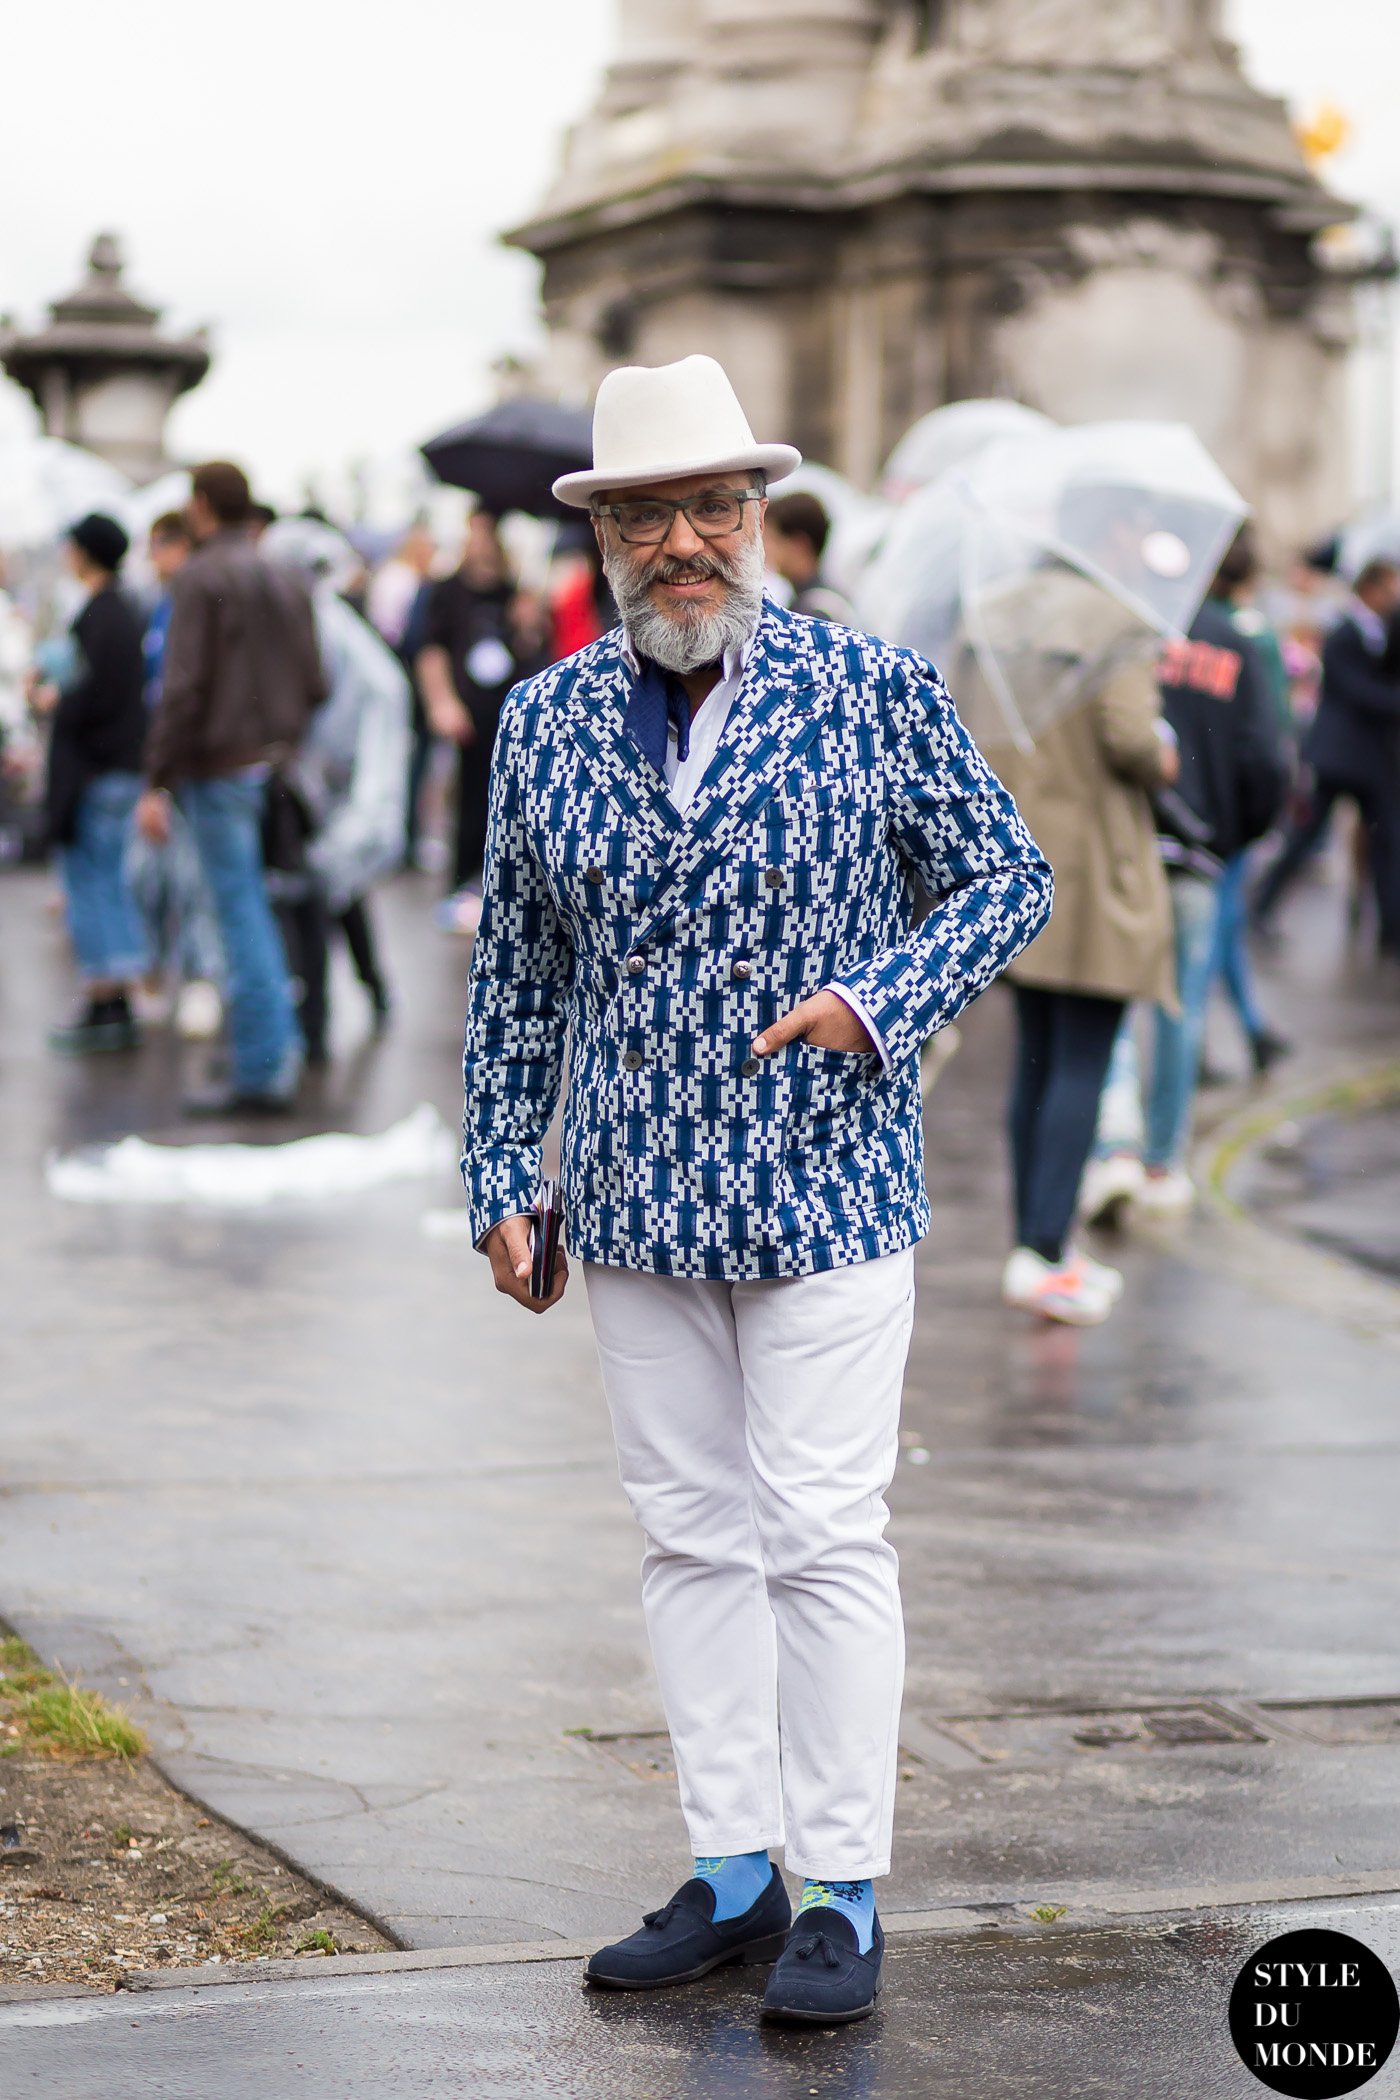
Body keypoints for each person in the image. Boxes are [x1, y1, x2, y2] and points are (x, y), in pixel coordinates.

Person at [461, 354, 1051, 2025]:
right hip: (633, 1201)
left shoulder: (871, 688)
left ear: (759, 520)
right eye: (649, 517)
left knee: (821, 1529)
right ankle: (733, 1870)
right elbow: (514, 969)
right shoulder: (548, 716)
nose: (686, 545)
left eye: (714, 509)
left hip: (829, 1189)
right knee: (690, 1537)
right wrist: (503, 1172)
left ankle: (841, 1890)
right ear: (606, 538)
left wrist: (879, 1002)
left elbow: (1007, 878)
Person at [982, 583, 1178, 1322]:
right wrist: (1166, 751)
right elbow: (1130, 738)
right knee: (1081, 1063)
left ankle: (1034, 1244)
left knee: (1037, 1058)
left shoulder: (1003, 612)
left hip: (1027, 856)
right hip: (1097, 868)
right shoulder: (1119, 619)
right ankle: (1045, 1253)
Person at [1082, 564, 1289, 1224]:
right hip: (1200, 851)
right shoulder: (1234, 642)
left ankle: (1115, 1143)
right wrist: (1233, 835)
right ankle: (1162, 1162)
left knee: (1112, 999)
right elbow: (1267, 756)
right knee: (1180, 1006)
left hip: (1125, 844)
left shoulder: (1126, 629)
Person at [136, 461, 326, 1115]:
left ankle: (262, 1066)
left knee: (237, 917)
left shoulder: (201, 575)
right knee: (255, 913)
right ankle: (270, 1049)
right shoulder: (281, 572)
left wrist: (156, 776)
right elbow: (314, 679)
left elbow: (182, 688)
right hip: (270, 761)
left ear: (201, 507)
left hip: (219, 765)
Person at [262, 518, 410, 1052]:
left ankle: (318, 1023)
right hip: (322, 785)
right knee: (336, 892)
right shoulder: (331, 623)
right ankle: (367, 992)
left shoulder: (322, 625)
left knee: (314, 897)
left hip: (321, 786)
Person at [1252, 558, 1400, 956]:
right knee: (1305, 837)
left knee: (1388, 842)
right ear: (1370, 588)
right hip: (1338, 757)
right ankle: (1262, 906)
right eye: (1390, 588)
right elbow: (1358, 691)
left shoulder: (1379, 632)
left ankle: (1391, 930)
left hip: (1369, 761)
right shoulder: (1343, 633)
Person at [41, 514, 150, 1053]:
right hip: (115, 769)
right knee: (107, 883)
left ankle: (106, 997)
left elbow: (92, 697)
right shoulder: (121, 611)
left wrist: (58, 699)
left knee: (92, 886)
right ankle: (116, 996)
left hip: (95, 772)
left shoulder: (102, 615)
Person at [416, 511, 546, 934]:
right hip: (466, 713)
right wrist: (442, 702)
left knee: (509, 802)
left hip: (507, 713)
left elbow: (531, 650)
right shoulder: (445, 591)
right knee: (469, 800)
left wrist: (529, 620)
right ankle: (461, 888)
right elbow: (430, 650)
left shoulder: (514, 592)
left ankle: (503, 889)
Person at [125, 513, 225, 1042]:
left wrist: (162, 775)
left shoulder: (196, 600)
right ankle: (160, 970)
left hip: (190, 766)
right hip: (166, 763)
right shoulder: (160, 606)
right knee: (151, 875)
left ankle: (201, 978)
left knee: (194, 882)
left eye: (159, 545)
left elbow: (184, 694)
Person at [1200, 529, 1293, 1081]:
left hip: (1183, 812)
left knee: (1223, 928)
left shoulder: (1175, 631)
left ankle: (1252, 1028)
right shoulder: (1248, 638)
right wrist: (1256, 822)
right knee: (1214, 930)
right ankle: (1207, 1044)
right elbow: (1267, 739)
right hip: (1228, 814)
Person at [762, 492, 853, 620]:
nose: (763, 548)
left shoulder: (818, 611)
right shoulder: (811, 600)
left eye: (771, 539)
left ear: (799, 545)